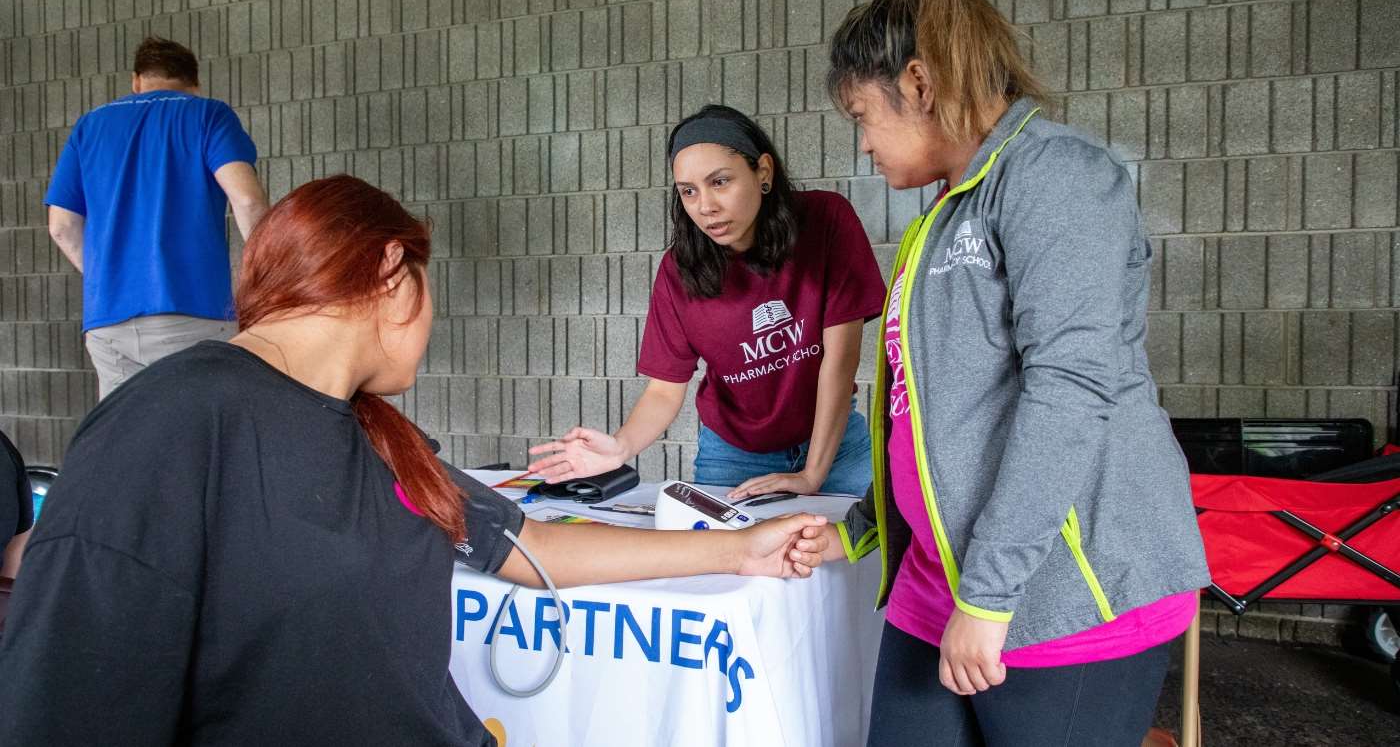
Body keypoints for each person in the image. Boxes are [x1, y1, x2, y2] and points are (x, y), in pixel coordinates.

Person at [0, 175, 830, 745]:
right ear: (396, 276)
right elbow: (67, 701)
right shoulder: (169, 421)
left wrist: (736, 548)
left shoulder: (377, 435)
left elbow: (527, 547)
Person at [818, 0, 1211, 744]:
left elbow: (1069, 391)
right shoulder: (941, 215)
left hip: (1056, 597)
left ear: (920, 83)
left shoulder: (1059, 177)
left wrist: (990, 597)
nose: (863, 144)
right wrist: (858, 527)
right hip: (938, 592)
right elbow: (932, 416)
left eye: (863, 115)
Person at [528, 105, 886, 499]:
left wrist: (813, 473)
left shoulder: (825, 219)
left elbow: (840, 361)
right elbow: (665, 390)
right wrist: (621, 446)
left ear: (762, 172)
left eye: (720, 182)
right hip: (733, 457)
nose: (705, 206)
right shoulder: (678, 271)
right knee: (722, 559)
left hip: (836, 447)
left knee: (867, 554)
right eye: (688, 191)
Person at [46, 36, 270, 399]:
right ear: (194, 84)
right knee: (198, 440)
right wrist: (269, 277)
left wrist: (111, 278)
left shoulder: (90, 126)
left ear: (136, 81)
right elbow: (247, 199)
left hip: (109, 324)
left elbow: (60, 226)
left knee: (128, 445)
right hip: (193, 313)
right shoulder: (207, 114)